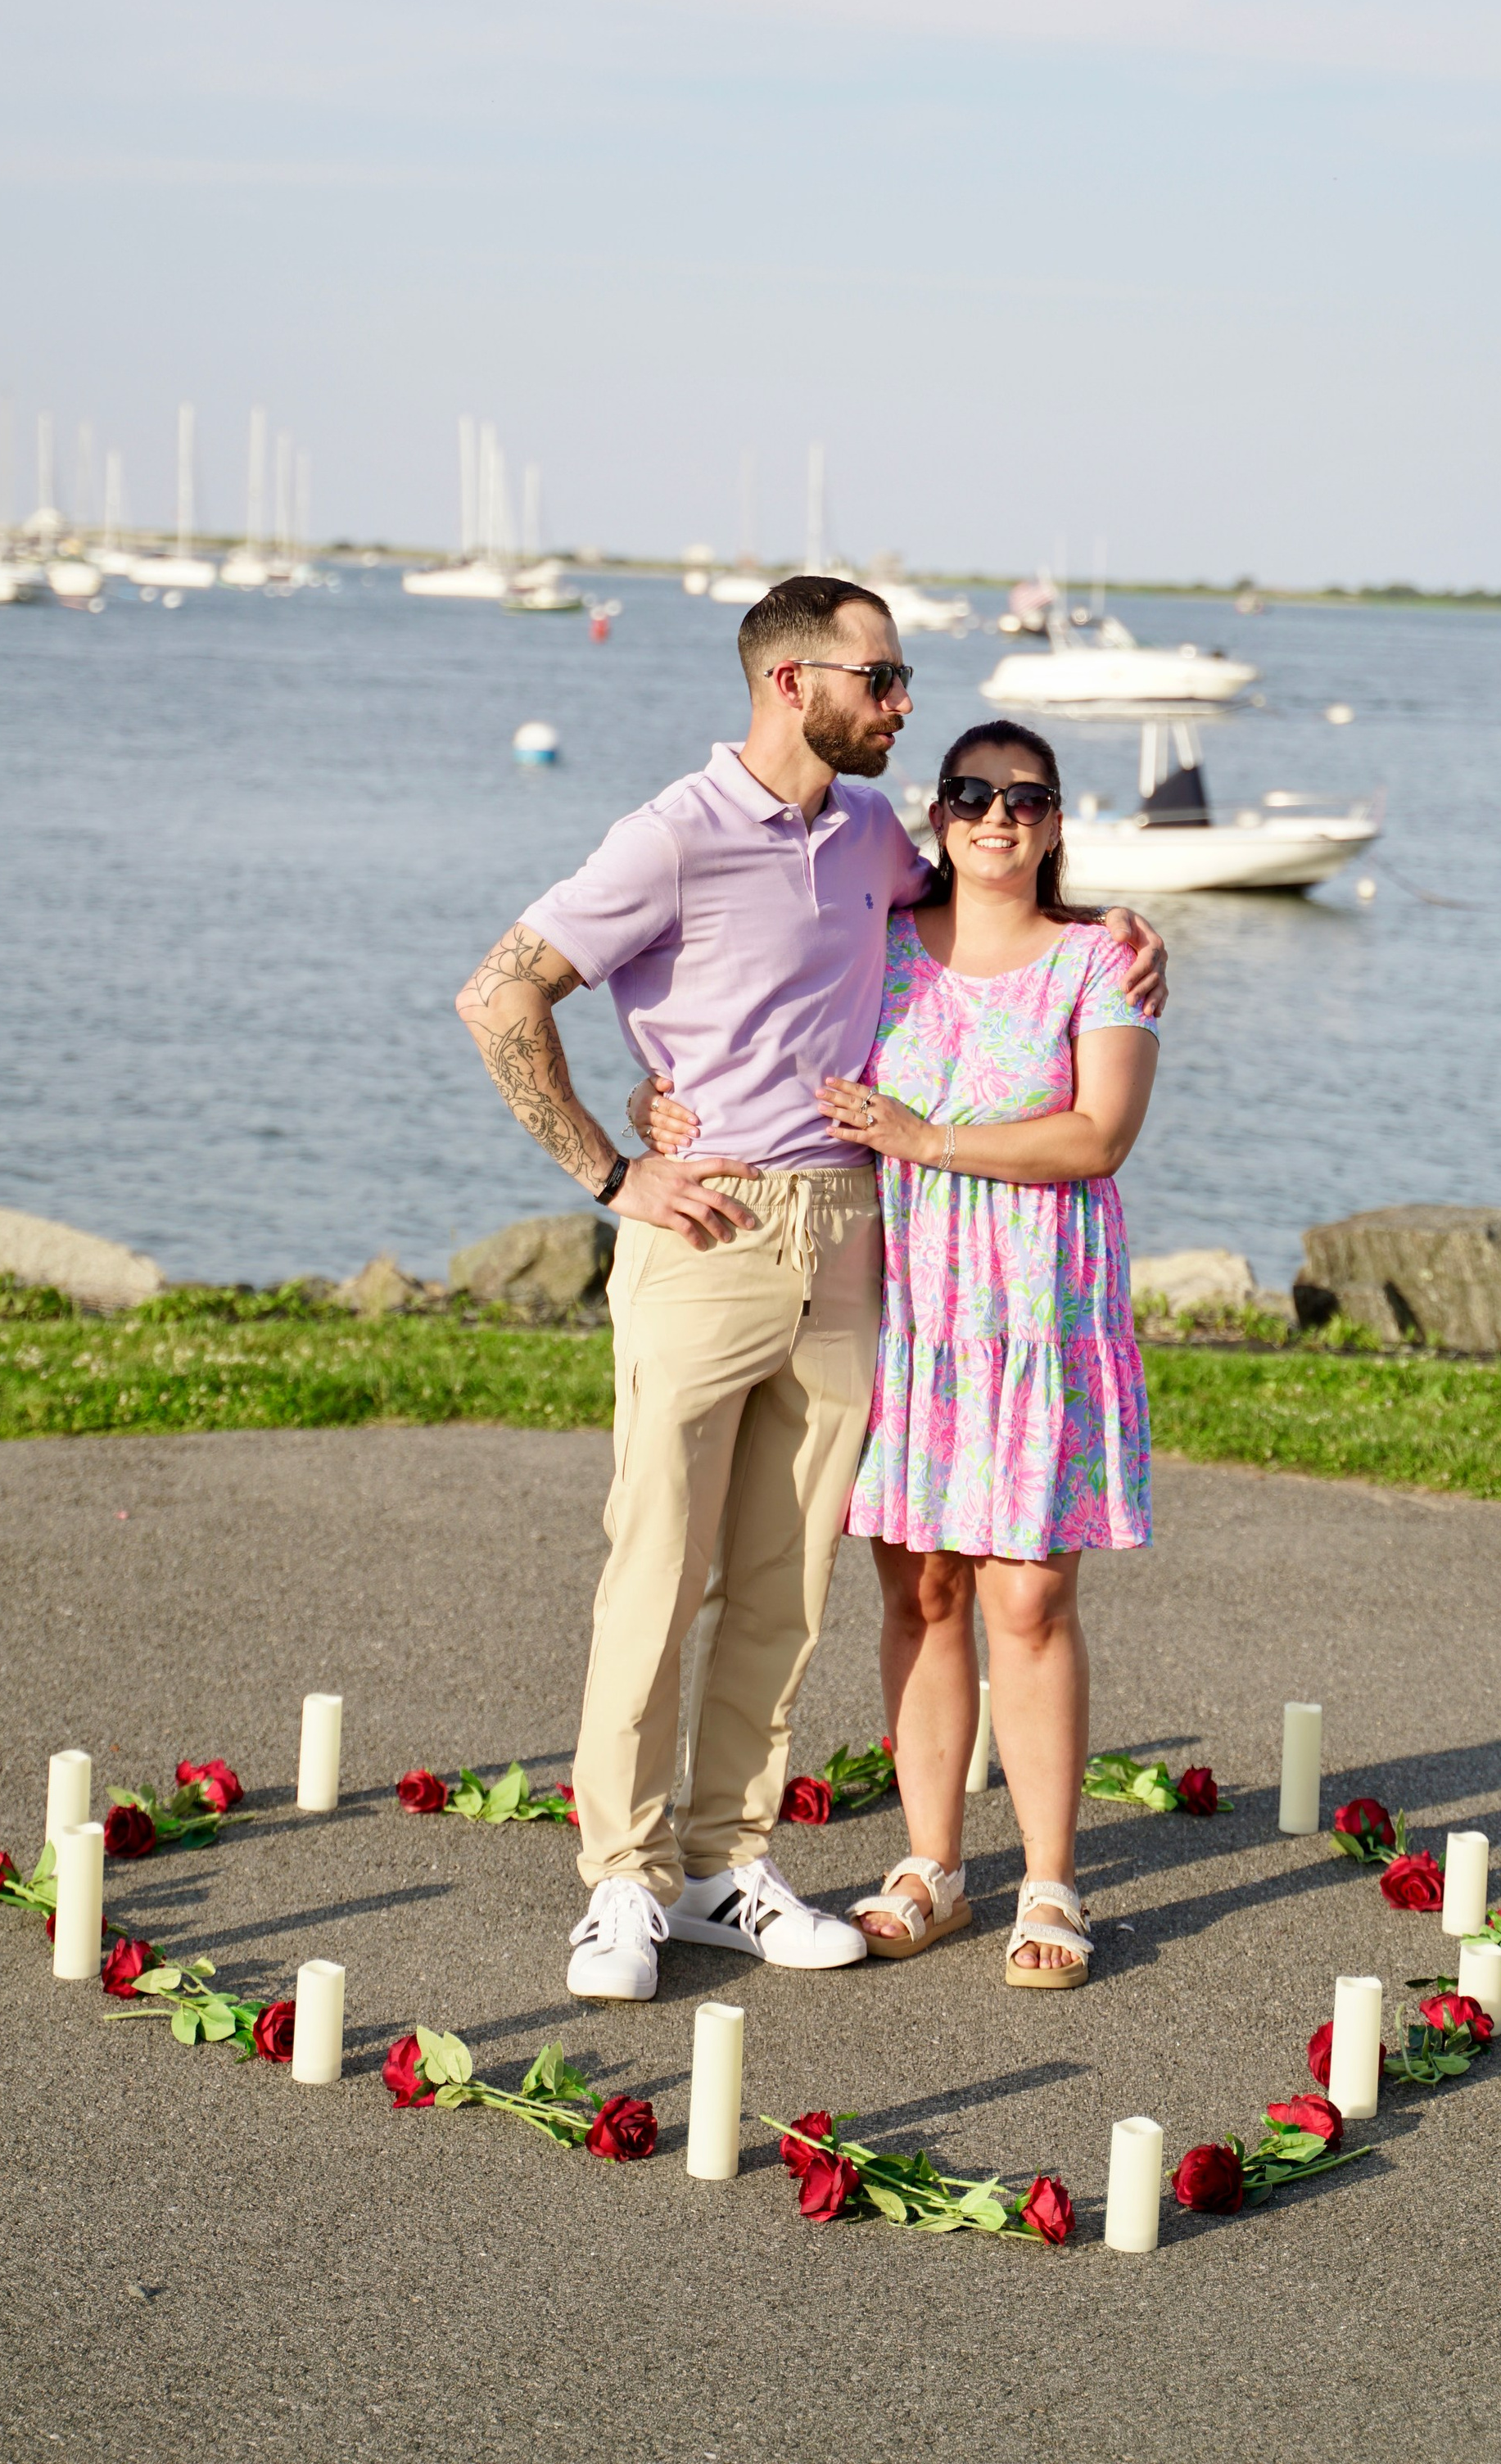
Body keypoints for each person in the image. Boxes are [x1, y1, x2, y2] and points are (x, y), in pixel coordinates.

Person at [454, 577, 1164, 2005]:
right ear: (795, 681)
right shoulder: (674, 831)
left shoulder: (873, 840)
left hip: (850, 1236)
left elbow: (993, 929)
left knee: (786, 1577)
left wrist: (1128, 925)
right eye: (885, 680)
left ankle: (728, 1861)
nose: (904, 703)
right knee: (659, 1562)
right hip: (706, 1225)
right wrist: (613, 1166)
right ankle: (625, 1881)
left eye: (904, 683)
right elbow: (500, 995)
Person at [821, 719, 1158, 1987]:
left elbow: (1098, 1137)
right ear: (939, 812)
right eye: (971, 792)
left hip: (1038, 1317)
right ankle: (931, 1865)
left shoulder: (1100, 961)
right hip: (913, 1312)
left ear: (1058, 821)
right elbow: (754, 989)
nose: (996, 814)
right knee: (922, 1591)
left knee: (1029, 1594)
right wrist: (653, 1098)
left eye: (1026, 797)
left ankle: (1052, 1881)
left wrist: (923, 1135)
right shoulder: (882, 944)